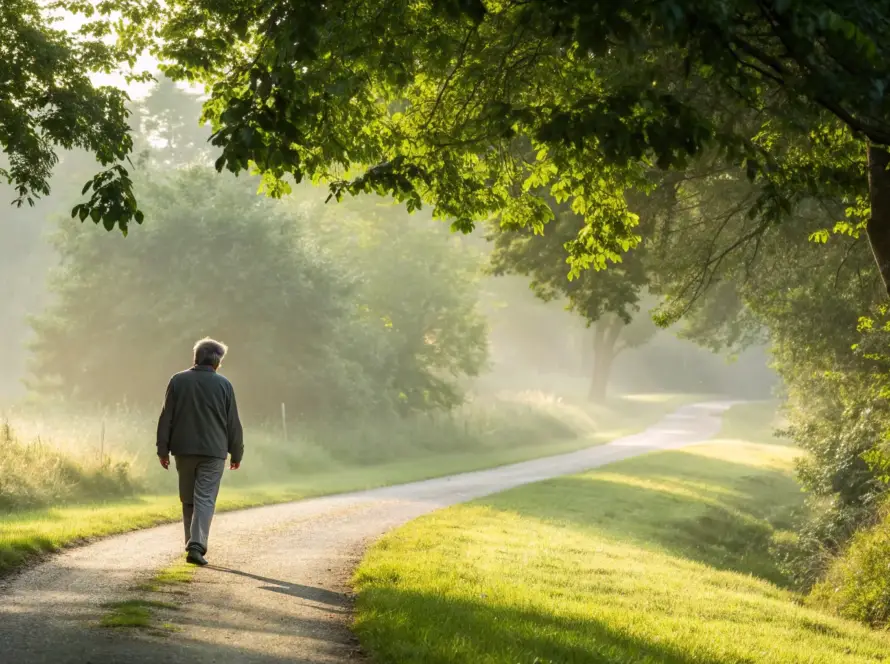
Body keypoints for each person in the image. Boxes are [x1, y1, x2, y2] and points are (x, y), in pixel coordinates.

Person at [156, 337, 244, 566]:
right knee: (204, 498)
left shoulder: (178, 381)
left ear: (196, 357)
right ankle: (196, 545)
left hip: (183, 450)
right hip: (214, 451)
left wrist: (162, 449)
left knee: (188, 499)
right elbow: (232, 422)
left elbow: (167, 417)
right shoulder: (224, 385)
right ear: (217, 362)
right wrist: (237, 452)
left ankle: (192, 544)